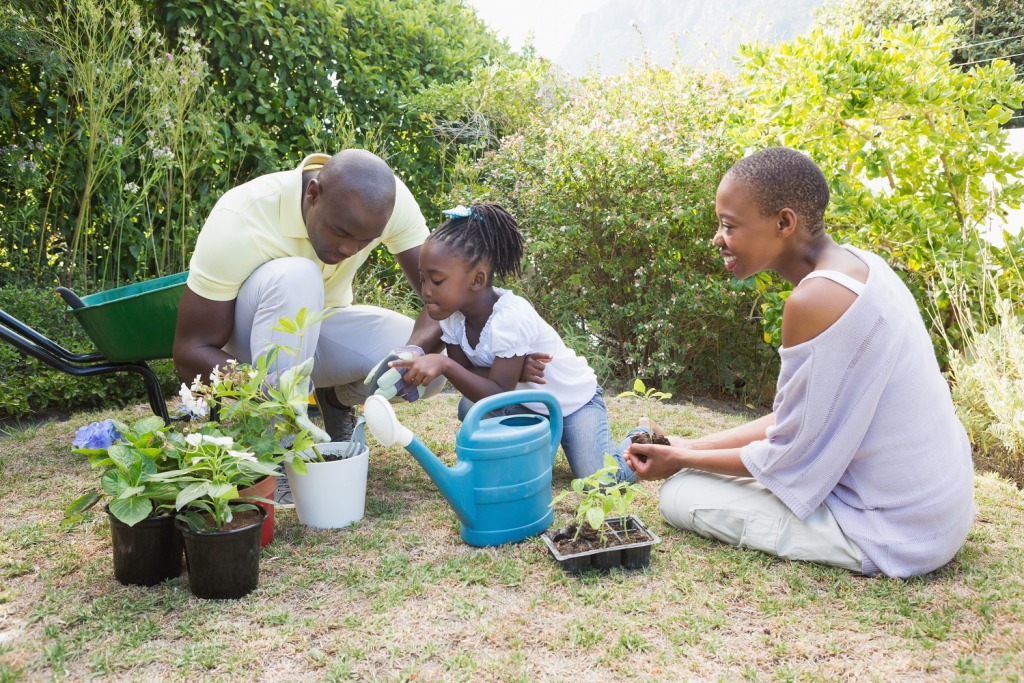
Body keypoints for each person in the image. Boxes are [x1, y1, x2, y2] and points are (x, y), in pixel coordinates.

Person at [624, 147, 975, 578]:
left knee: (679, 495)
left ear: (784, 223)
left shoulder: (812, 300)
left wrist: (681, 462)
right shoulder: (866, 266)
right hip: (941, 510)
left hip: (897, 531)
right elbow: (798, 420)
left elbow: (788, 452)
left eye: (729, 225)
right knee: (694, 473)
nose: (717, 238)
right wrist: (684, 446)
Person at [173, 150, 548, 447]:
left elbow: (445, 303)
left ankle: (335, 399)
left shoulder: (385, 202)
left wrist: (419, 353)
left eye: (364, 241)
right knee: (297, 276)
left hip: (320, 331)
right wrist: (261, 393)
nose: (349, 249)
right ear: (313, 194)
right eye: (341, 232)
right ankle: (281, 444)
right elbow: (190, 350)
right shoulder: (241, 217)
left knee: (425, 370)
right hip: (250, 354)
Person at [383, 203, 635, 482]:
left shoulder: (509, 318)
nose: (425, 290)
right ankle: (531, 448)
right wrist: (508, 373)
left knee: (600, 482)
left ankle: (642, 436)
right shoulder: (453, 319)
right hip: (528, 403)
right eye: (422, 278)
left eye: (437, 280)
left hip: (574, 405)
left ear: (477, 280)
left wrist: (446, 364)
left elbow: (495, 389)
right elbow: (469, 375)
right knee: (469, 407)